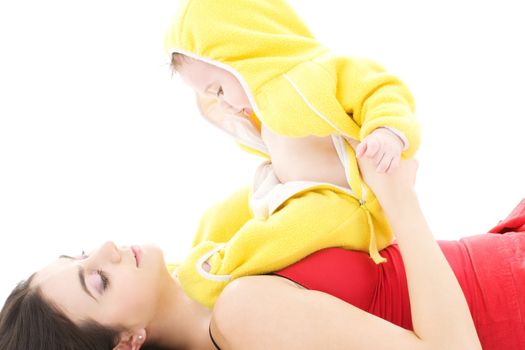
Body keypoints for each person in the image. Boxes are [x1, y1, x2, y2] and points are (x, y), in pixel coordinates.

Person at [3, 152, 525, 349]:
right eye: (97, 281)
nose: (106, 249)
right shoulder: (240, 316)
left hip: (501, 255)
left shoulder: (212, 264)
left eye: (78, 256)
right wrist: (401, 201)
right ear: (127, 344)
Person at [165, 0, 421, 308]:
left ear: (247, 55)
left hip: (349, 204)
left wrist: (386, 132)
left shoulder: (320, 73)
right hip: (291, 191)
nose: (223, 104)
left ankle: (220, 270)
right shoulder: (259, 114)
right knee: (222, 213)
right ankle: (185, 271)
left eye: (219, 90)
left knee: (292, 228)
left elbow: (382, 91)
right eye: (210, 96)